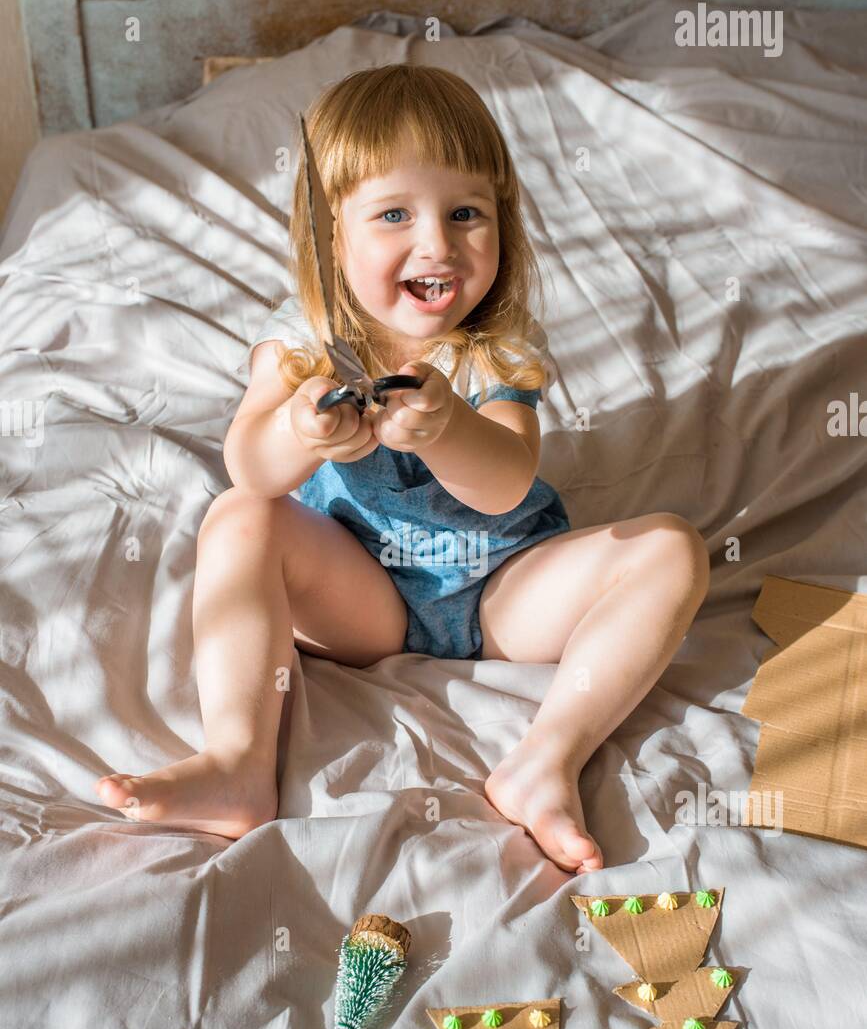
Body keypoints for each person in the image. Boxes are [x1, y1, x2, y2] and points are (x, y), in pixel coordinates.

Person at [95, 64, 709, 872]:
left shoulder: (496, 343)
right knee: (237, 517)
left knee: (670, 548)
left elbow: (506, 482)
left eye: (465, 213)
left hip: (502, 590)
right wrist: (300, 430)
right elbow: (249, 466)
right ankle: (239, 763)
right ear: (329, 234)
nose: (438, 245)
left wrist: (448, 425)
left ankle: (545, 761)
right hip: (364, 598)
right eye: (394, 214)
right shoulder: (303, 341)